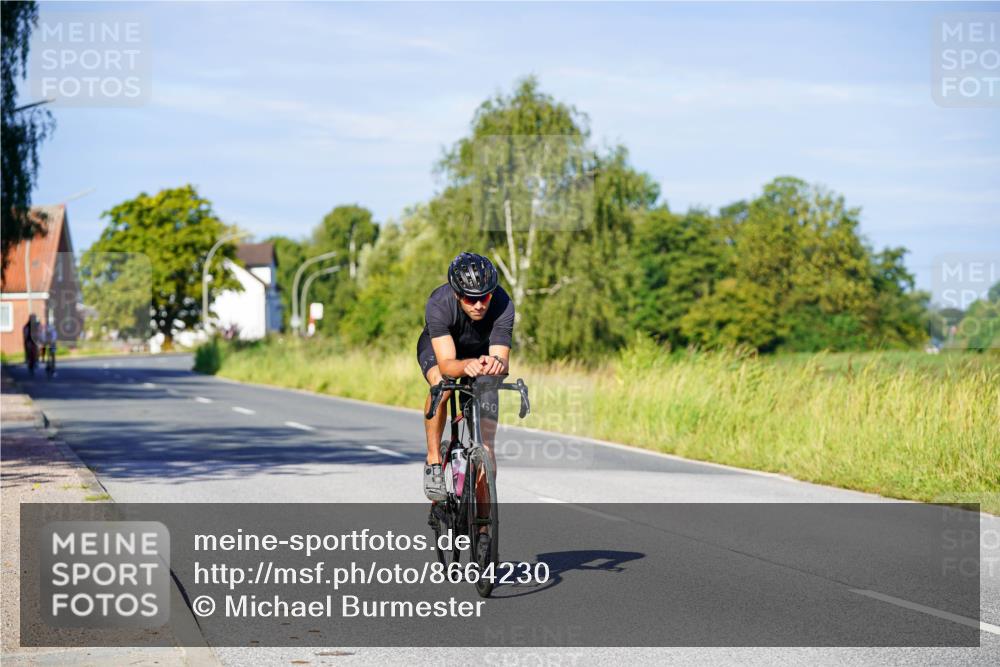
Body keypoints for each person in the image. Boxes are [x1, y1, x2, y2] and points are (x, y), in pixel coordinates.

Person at [417, 252, 514, 504]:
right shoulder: (439, 303)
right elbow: (448, 365)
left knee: (488, 445)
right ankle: (434, 462)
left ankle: (482, 526)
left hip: (479, 355)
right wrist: (467, 364)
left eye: (484, 296)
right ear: (458, 294)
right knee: (442, 384)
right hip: (443, 353)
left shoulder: (503, 303)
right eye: (471, 298)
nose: (479, 304)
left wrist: (494, 364)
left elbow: (502, 360)